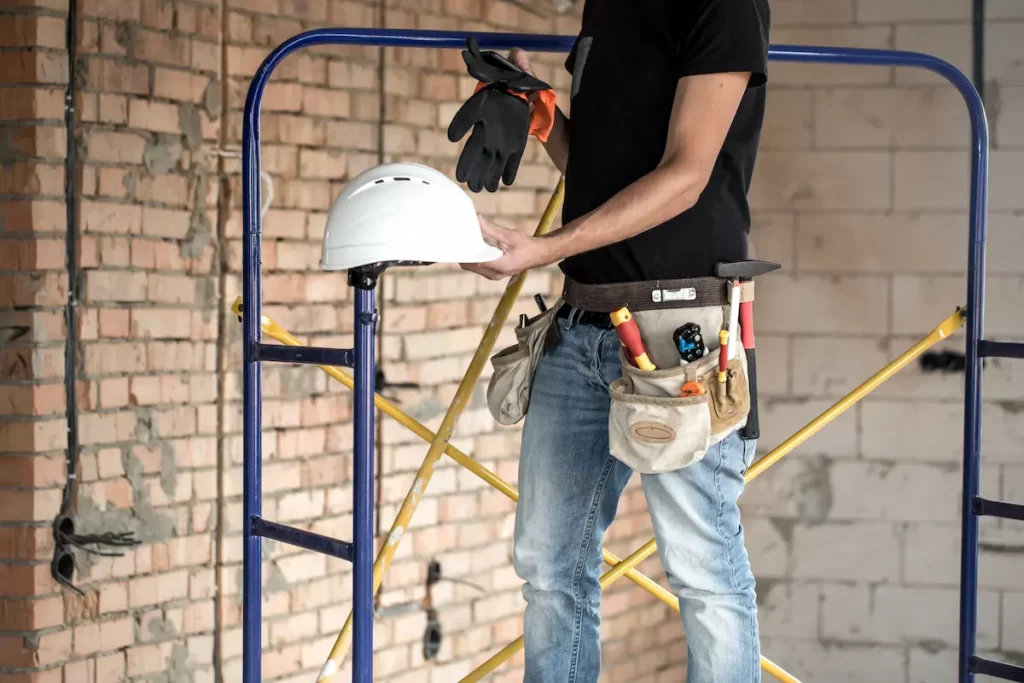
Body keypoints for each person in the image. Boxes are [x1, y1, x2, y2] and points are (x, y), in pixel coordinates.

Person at [459, 0, 771, 680]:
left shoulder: (724, 6)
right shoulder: (606, 5)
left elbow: (685, 177)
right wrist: (543, 115)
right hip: (582, 328)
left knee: (703, 572)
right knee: (549, 567)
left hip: (678, 337)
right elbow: (600, 171)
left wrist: (542, 247)